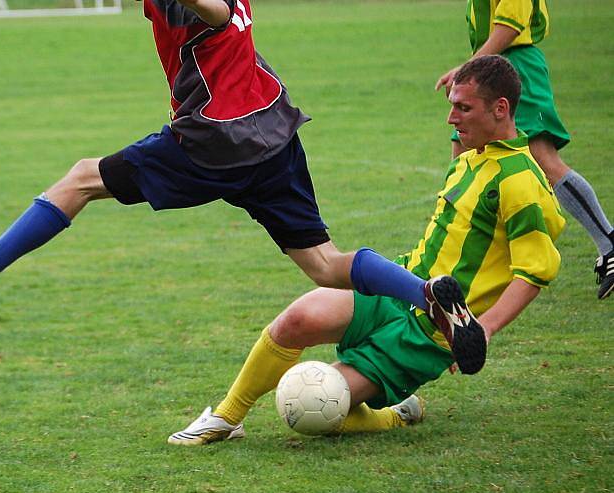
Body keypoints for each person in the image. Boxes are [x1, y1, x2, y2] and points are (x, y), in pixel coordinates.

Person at [0, 0, 486, 369]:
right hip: (274, 132)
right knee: (324, 263)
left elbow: (208, 9)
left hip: (213, 143)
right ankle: (426, 296)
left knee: (81, 180)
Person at [169, 55, 566, 446]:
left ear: (500, 109)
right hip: (403, 287)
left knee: (314, 404)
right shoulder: (469, 158)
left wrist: (482, 329)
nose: (451, 119)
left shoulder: (521, 182)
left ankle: (394, 415)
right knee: (296, 321)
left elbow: (535, 271)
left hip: (431, 334)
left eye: (464, 108)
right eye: (451, 107)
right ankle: (225, 418)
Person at [435, 0, 613, 300]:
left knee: (543, 158)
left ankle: (609, 243)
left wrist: (468, 69)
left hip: (514, 65)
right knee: (463, 149)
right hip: (494, 66)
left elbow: (510, 26)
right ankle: (454, 257)